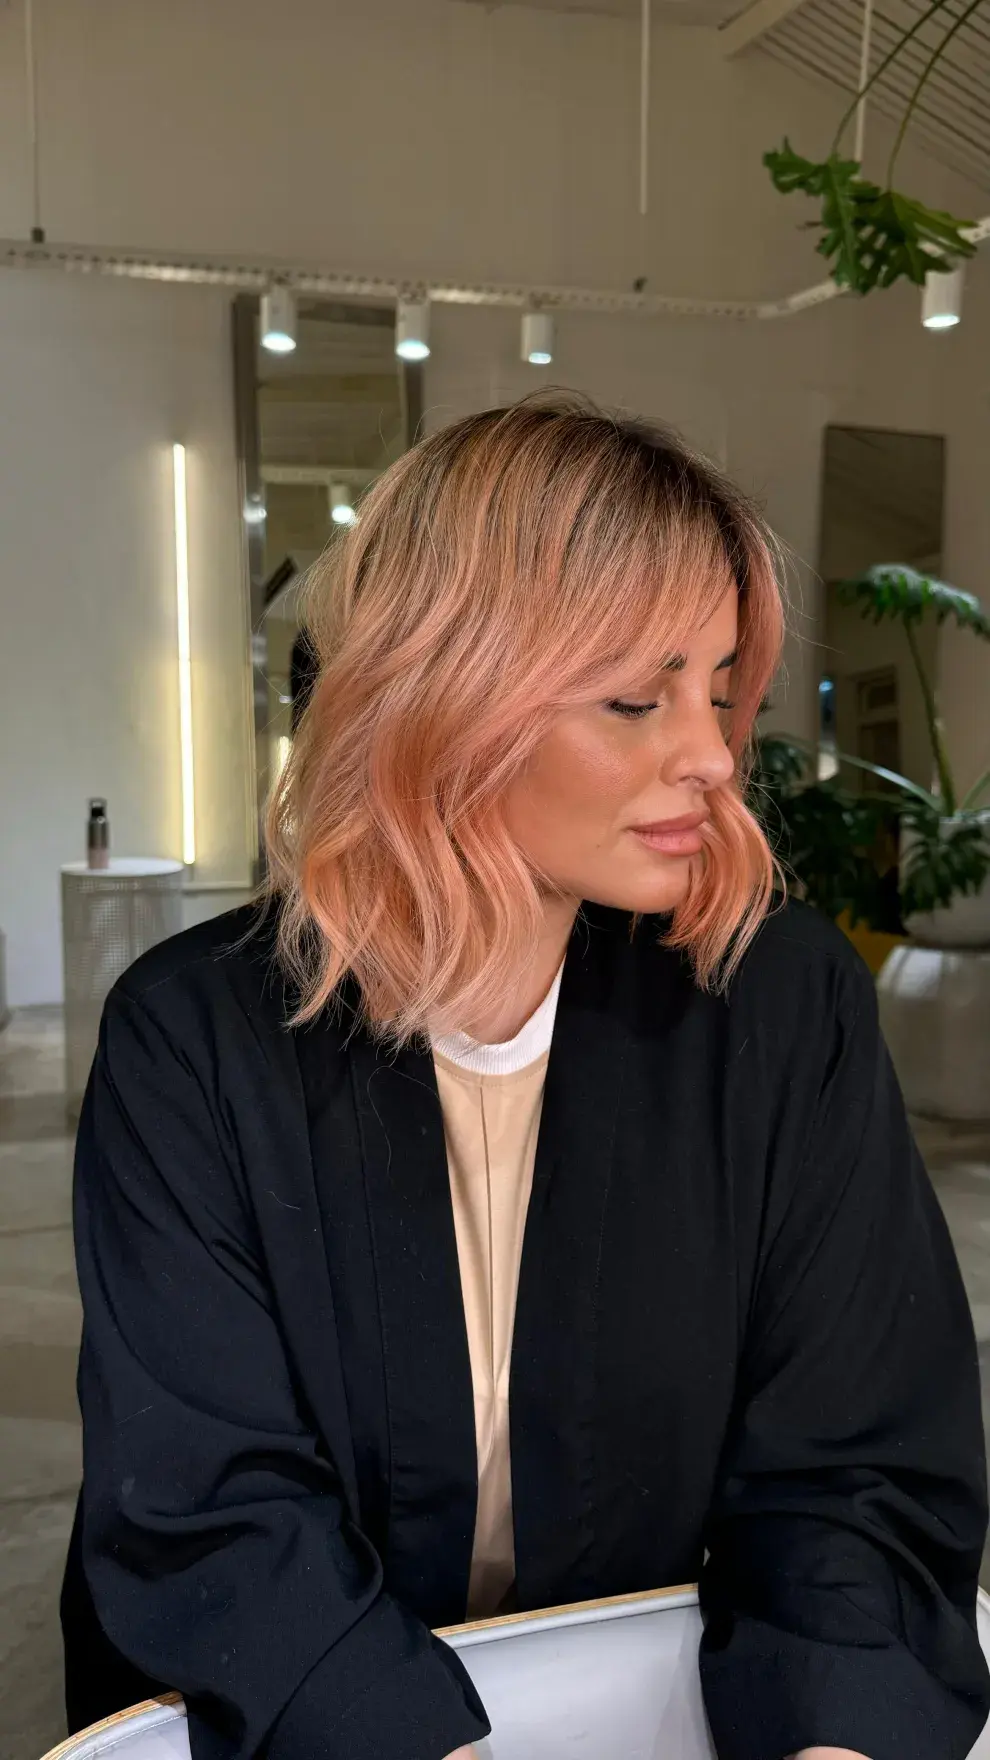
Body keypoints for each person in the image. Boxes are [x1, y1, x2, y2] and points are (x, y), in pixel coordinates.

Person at [62, 397, 989, 1760]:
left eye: (719, 686)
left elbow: (849, 1467)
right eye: (637, 697)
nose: (713, 756)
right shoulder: (193, 1041)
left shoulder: (776, 1007)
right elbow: (214, 1509)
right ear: (445, 694)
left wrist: (830, 1741)